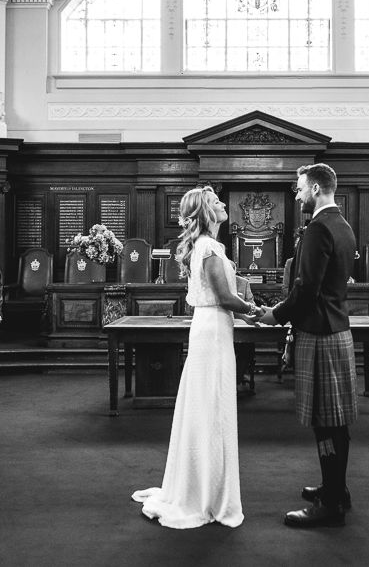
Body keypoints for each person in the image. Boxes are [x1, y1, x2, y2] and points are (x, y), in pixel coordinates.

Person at [132, 186, 260, 529]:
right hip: (214, 328)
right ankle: (206, 494)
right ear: (206, 212)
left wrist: (243, 311)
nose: (222, 204)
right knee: (212, 405)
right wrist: (252, 310)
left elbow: (223, 296)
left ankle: (201, 483)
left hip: (210, 325)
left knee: (206, 404)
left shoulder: (204, 246)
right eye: (216, 201)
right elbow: (225, 296)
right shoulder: (210, 246)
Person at [257, 163, 357, 528]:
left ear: (315, 188)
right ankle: (336, 488)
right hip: (335, 330)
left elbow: (306, 289)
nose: (296, 194)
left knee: (325, 421)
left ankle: (331, 504)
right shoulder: (342, 225)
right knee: (334, 421)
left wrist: (275, 315)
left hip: (319, 333)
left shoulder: (317, 228)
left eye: (299, 188)